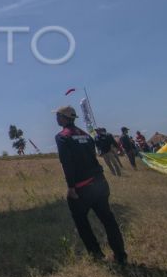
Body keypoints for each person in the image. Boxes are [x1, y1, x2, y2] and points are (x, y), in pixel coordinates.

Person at [54, 106, 127, 265]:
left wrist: (71, 187)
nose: (56, 118)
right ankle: (120, 255)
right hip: (100, 182)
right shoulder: (86, 136)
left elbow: (67, 163)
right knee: (108, 219)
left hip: (81, 187)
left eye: (58, 115)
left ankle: (96, 254)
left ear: (65, 117)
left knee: (81, 221)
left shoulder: (62, 137)